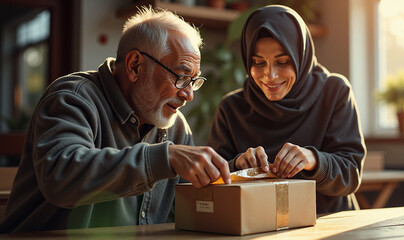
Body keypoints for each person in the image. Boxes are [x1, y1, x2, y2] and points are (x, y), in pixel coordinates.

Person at [0, 7, 231, 233]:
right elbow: (61, 176)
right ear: (135, 66)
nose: (189, 94)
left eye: (194, 81)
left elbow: (192, 205)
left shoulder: (176, 125)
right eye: (181, 77)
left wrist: (237, 170)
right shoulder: (72, 98)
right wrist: (165, 158)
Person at [207, 5, 366, 213]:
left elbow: (351, 175)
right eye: (258, 62)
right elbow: (210, 182)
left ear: (300, 56)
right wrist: (237, 165)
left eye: (282, 62)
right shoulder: (232, 108)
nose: (270, 75)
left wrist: (314, 160)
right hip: (258, 226)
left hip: (329, 222)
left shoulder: (334, 92)